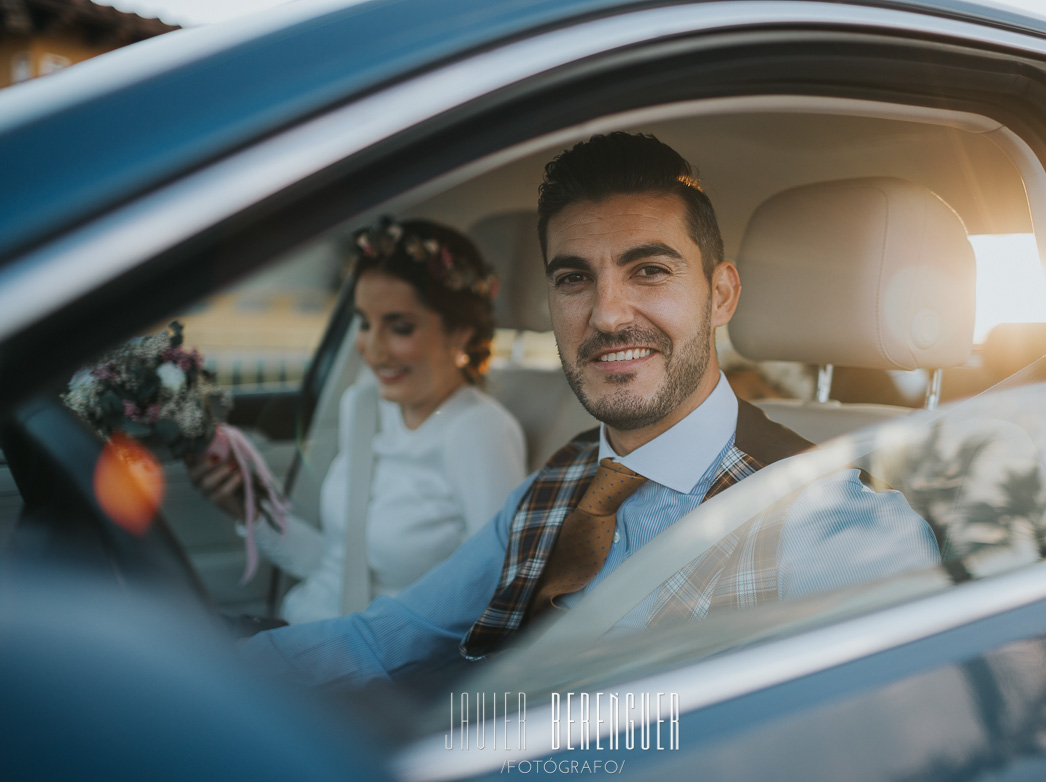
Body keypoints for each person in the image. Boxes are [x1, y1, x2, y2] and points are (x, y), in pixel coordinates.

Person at [241, 133, 938, 683]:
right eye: (574, 278)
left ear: (720, 295)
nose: (606, 315)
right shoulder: (555, 487)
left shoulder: (835, 528)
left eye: (649, 270)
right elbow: (383, 640)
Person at [192, 219, 527, 624]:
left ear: (460, 332)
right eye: (365, 323)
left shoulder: (478, 431)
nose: (372, 349)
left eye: (400, 327)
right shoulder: (364, 406)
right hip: (297, 628)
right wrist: (251, 510)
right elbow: (337, 565)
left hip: (377, 668)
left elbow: (500, 596)